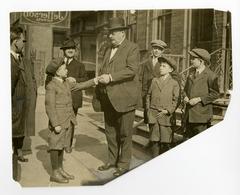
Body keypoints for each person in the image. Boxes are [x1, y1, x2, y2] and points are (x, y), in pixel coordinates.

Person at [96, 17, 140, 177]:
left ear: (122, 33)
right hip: (108, 99)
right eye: (109, 34)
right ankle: (112, 160)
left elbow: (132, 70)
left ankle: (123, 164)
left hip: (125, 99)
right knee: (110, 132)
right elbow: (104, 69)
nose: (110, 36)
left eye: (113, 33)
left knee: (125, 133)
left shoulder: (132, 48)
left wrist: (110, 77)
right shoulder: (108, 50)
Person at [45, 58, 98, 183]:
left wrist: (95, 80)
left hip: (67, 120)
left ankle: (60, 169)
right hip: (58, 122)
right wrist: (55, 124)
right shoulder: (51, 86)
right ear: (57, 72)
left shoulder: (65, 83)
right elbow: (49, 107)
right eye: (64, 68)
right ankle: (54, 172)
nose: (67, 70)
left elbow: (80, 85)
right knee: (55, 146)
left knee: (62, 145)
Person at [146, 56, 180, 157]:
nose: (161, 68)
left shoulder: (174, 83)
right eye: (160, 65)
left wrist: (168, 111)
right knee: (154, 141)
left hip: (166, 117)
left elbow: (176, 99)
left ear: (170, 69)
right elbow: (148, 95)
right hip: (153, 115)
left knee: (166, 142)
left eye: (164, 66)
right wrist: (148, 110)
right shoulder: (154, 80)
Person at [183, 48, 220, 138]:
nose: (191, 61)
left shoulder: (211, 76)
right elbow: (185, 91)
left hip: (201, 117)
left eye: (193, 59)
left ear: (201, 61)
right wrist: (185, 97)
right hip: (189, 116)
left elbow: (215, 94)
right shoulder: (190, 75)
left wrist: (199, 99)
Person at [11, 25, 27, 181]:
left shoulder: (16, 58)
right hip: (13, 108)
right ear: (15, 41)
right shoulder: (10, 61)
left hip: (18, 107)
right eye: (23, 40)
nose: (24, 43)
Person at [140, 40, 167, 124]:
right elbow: (141, 77)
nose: (156, 51)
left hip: (158, 91)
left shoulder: (164, 63)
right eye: (155, 48)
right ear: (152, 49)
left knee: (157, 114)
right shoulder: (145, 62)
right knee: (147, 114)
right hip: (146, 91)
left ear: (162, 51)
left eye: (159, 49)